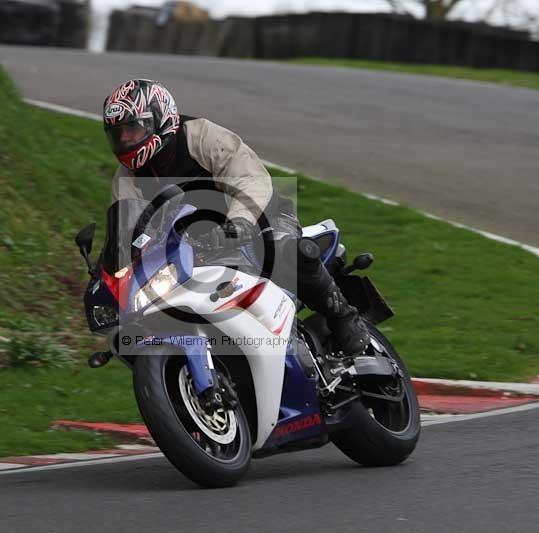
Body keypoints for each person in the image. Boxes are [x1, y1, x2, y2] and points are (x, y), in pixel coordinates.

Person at [103, 79, 369, 356]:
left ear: (159, 119)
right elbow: (126, 233)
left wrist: (239, 222)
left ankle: (345, 317)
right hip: (197, 246)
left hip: (260, 218)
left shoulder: (202, 137)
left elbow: (249, 177)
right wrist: (111, 275)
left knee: (283, 251)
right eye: (117, 134)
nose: (125, 141)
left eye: (132, 129)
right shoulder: (127, 179)